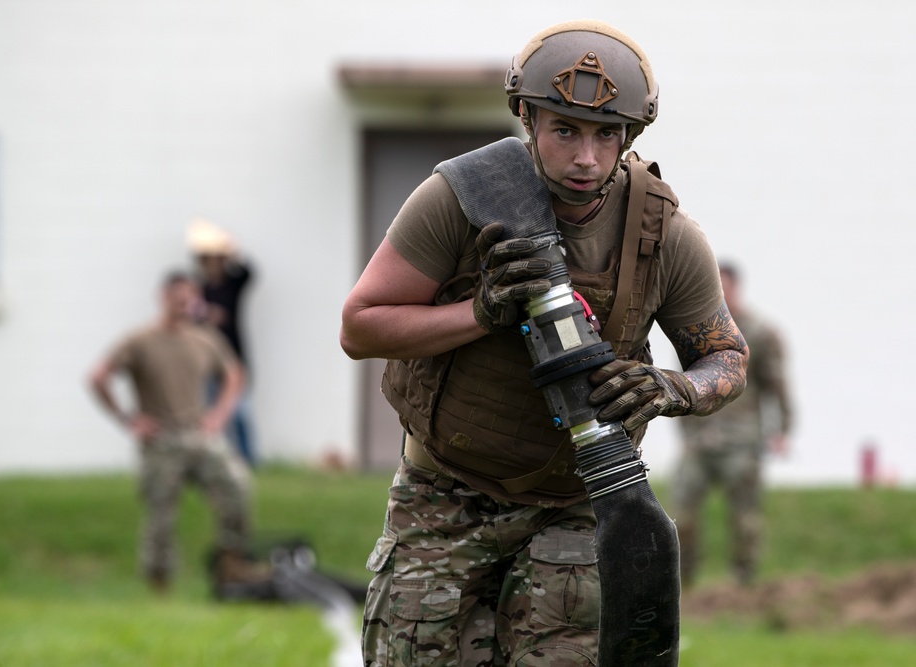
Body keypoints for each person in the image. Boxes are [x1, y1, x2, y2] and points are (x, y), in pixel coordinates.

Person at [339, 19, 748, 665]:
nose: (586, 157)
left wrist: (674, 388)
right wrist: (480, 313)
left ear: (630, 135)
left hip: (580, 501)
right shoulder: (461, 196)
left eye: (606, 134)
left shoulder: (663, 234)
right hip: (446, 488)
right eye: (565, 130)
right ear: (527, 118)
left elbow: (725, 356)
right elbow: (360, 327)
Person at [89, 270, 255, 594]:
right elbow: (98, 377)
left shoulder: (204, 339)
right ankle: (159, 587)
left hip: (200, 435)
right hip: (161, 439)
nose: (184, 305)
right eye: (178, 298)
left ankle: (231, 568)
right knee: (161, 517)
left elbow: (234, 374)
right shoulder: (139, 341)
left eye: (190, 299)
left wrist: (218, 415)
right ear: (163, 298)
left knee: (238, 487)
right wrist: (128, 419)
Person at [673, 262, 794, 588]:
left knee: (746, 518)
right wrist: (685, 433)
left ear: (736, 288)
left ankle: (744, 583)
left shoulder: (760, 333)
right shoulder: (693, 331)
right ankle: (684, 584)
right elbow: (683, 387)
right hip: (701, 440)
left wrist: (783, 430)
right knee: (680, 516)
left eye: (724, 287)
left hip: (742, 440)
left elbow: (777, 386)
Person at [187, 218, 259, 466]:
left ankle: (249, 461)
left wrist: (229, 249)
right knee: (210, 413)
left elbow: (249, 272)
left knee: (239, 413)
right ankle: (213, 460)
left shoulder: (232, 284)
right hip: (207, 361)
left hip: (234, 358)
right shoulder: (197, 288)